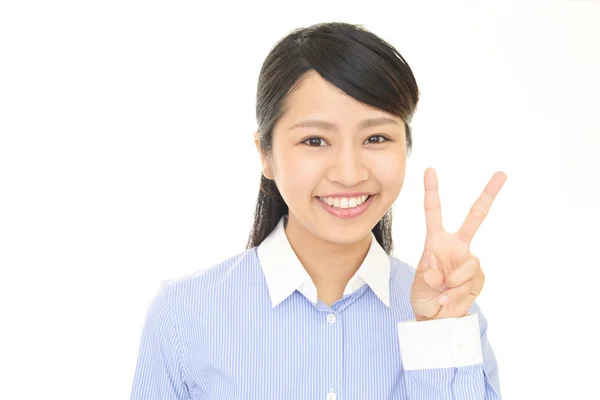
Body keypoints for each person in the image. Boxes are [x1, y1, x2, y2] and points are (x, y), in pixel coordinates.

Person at [130, 21, 506, 399]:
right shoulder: (183, 315)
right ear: (266, 154)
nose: (349, 173)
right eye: (315, 140)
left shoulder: (453, 314)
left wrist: (437, 332)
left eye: (376, 138)